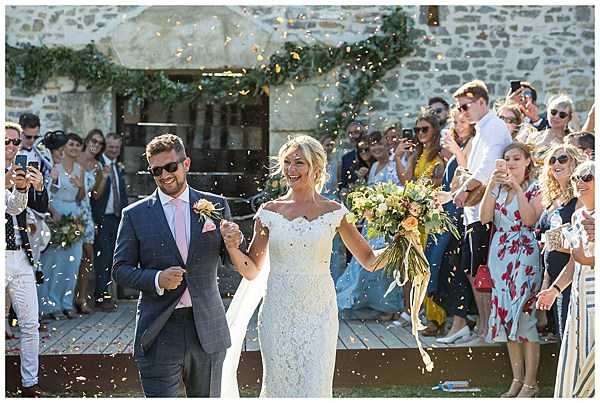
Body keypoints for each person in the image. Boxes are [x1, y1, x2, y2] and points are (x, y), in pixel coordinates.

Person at [221, 134, 395, 398]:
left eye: (299, 163)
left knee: (316, 387)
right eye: (287, 162)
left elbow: (369, 261)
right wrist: (232, 247)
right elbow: (252, 270)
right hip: (277, 314)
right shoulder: (269, 211)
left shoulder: (335, 211)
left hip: (319, 314)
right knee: (279, 387)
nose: (291, 170)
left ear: (316, 167)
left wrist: (404, 245)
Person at [112, 133, 239, 397]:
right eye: (156, 170)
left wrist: (235, 242)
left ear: (186, 164)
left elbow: (231, 261)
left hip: (207, 329)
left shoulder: (215, 205)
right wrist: (157, 279)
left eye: (171, 167)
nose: (165, 175)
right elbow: (120, 269)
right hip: (159, 330)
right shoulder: (134, 215)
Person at [480, 142, 544, 397]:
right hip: (500, 254)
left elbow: (530, 219)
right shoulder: (498, 188)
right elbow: (485, 218)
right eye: (507, 159)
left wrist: (516, 187)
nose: (511, 163)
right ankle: (517, 380)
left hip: (524, 253)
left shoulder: (536, 188)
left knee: (524, 317)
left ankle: (531, 383)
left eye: (517, 158)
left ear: (528, 161)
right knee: (506, 318)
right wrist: (490, 186)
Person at [452, 80, 513, 341]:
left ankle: (488, 327)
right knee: (472, 270)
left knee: (481, 272)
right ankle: (484, 325)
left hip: (487, 212)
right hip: (474, 213)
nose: (463, 112)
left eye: (465, 106)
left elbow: (490, 167)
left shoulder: (494, 127)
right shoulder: (482, 130)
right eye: (460, 108)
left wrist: (464, 188)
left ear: (481, 102)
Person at [536, 160, 595, 397]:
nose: (580, 182)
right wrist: (554, 290)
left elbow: (584, 258)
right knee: (575, 361)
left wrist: (587, 258)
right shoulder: (579, 215)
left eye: (588, 177)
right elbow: (574, 261)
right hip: (579, 302)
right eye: (577, 178)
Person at [335, 131, 404, 321]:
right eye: (373, 145)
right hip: (371, 224)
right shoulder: (373, 167)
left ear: (387, 145)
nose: (376, 148)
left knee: (384, 265)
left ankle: (390, 306)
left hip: (388, 222)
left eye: (379, 143)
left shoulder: (394, 165)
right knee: (364, 262)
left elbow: (400, 189)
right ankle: (372, 303)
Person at [5, 121, 49, 397]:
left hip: (21, 255)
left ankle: (29, 384)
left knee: (30, 323)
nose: (11, 147)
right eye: (6, 142)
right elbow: (10, 206)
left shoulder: (26, 168)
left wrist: (39, 187)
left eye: (15, 142)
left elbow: (40, 208)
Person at [397, 110, 446, 335]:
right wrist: (400, 157)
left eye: (424, 129)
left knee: (431, 264)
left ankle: (437, 319)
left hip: (433, 216)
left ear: (435, 130)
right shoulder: (418, 153)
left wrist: (425, 183)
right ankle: (419, 313)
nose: (420, 133)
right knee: (415, 264)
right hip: (416, 215)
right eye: (417, 130)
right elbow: (407, 181)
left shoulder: (441, 154)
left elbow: (439, 182)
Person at [435, 107, 476, 343]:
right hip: (452, 212)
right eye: (456, 122)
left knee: (459, 268)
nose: (459, 126)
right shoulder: (458, 147)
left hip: (465, 214)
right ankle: (457, 322)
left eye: (463, 121)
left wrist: (456, 151)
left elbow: (469, 173)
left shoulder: (471, 144)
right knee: (449, 267)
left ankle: (460, 323)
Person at [537, 144, 584, 338]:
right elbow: (549, 248)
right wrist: (545, 288)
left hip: (573, 281)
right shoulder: (553, 200)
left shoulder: (581, 198)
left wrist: (551, 240)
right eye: (552, 160)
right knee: (563, 342)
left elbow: (580, 247)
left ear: (575, 163)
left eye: (563, 159)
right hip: (556, 284)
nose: (557, 163)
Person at [39, 133, 85, 320]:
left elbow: (81, 197)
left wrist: (80, 186)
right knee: (52, 261)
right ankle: (49, 304)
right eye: (69, 145)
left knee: (72, 262)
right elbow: (46, 192)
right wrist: (52, 212)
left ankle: (66, 303)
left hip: (73, 214)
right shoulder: (53, 167)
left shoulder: (80, 169)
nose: (73, 148)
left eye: (77, 145)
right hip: (56, 213)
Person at [91, 132, 128, 311]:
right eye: (111, 147)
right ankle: (100, 297)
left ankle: (107, 294)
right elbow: (94, 195)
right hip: (103, 219)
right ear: (106, 147)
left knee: (114, 258)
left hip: (117, 218)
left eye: (117, 148)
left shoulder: (117, 166)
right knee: (103, 258)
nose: (114, 150)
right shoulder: (98, 165)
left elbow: (122, 193)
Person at [74, 129, 106, 314]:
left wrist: (104, 179)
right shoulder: (74, 157)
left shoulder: (97, 166)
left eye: (100, 143)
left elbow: (96, 195)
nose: (96, 144)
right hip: (70, 208)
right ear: (87, 140)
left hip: (86, 211)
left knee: (87, 256)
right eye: (93, 140)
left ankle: (82, 297)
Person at [320, 135, 346, 283]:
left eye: (331, 145)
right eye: (326, 145)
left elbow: (339, 183)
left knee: (336, 247)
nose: (329, 148)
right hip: (319, 204)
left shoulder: (337, 162)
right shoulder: (316, 165)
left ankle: (335, 279)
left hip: (333, 203)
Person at [522, 95, 575, 163]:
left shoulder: (571, 141)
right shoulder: (533, 137)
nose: (556, 116)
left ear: (569, 118)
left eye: (562, 115)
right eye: (553, 112)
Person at [339, 121, 366, 194]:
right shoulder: (346, 157)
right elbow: (343, 182)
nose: (353, 136)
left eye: (356, 132)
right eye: (350, 133)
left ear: (363, 134)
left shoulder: (371, 153)